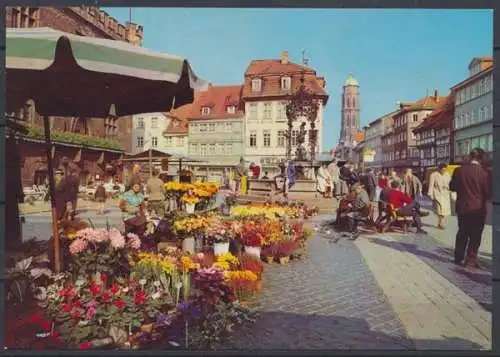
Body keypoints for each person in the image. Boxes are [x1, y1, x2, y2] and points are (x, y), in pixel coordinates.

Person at [450, 148, 491, 267]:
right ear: (481, 159)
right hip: (478, 209)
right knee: (476, 235)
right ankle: (471, 259)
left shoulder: (459, 170)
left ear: (470, 157)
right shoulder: (485, 173)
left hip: (462, 208)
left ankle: (458, 257)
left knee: (462, 232)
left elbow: (452, 187)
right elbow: (488, 192)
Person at [427, 164, 452, 229]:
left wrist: (448, 187)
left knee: (443, 210)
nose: (443, 171)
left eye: (445, 169)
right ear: (439, 169)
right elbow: (431, 185)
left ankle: (440, 223)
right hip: (437, 194)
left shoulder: (447, 175)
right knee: (439, 209)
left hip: (445, 194)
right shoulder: (434, 175)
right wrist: (430, 194)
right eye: (442, 169)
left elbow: (450, 184)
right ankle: (441, 223)